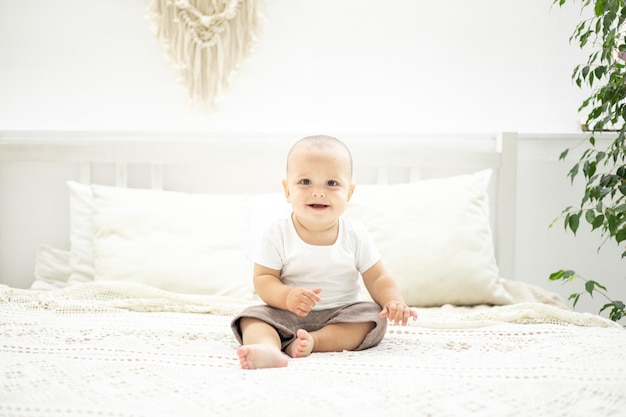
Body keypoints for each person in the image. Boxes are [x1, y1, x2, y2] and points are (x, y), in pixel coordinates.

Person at [231, 135, 417, 370]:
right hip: (286, 313)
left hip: (341, 314)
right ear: (287, 190)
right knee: (251, 318)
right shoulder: (277, 233)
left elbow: (378, 277)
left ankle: (314, 342)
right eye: (305, 181)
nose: (318, 192)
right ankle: (267, 348)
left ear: (349, 193)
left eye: (331, 184)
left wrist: (393, 301)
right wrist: (286, 297)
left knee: (371, 317)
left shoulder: (355, 234)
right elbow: (263, 279)